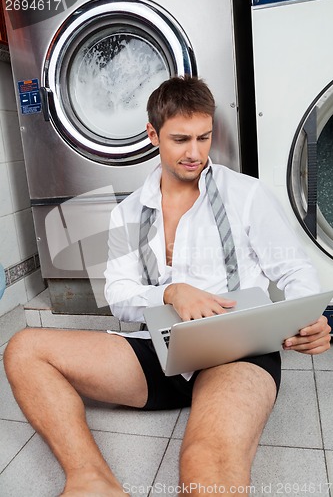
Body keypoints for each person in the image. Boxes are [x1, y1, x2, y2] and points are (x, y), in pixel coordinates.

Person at [4, 76, 330, 497]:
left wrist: (310, 317)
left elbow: (294, 272)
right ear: (153, 135)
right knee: (24, 349)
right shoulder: (128, 213)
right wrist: (169, 292)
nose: (195, 153)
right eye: (180, 139)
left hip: (235, 352)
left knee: (206, 468)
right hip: (159, 349)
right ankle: (92, 479)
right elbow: (120, 297)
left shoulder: (246, 195)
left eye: (204, 137)